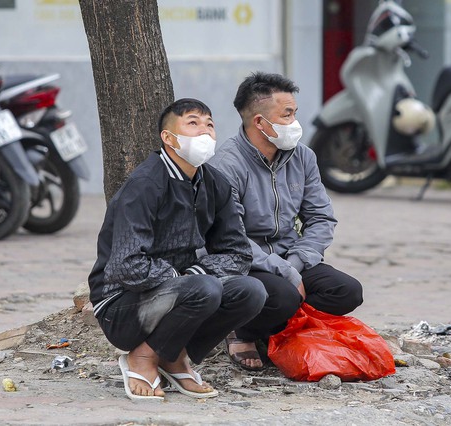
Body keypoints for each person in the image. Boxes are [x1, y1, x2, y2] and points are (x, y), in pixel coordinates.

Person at [87, 98, 267, 400]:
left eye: (209, 125)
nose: (205, 132)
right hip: (121, 305)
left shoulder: (215, 184)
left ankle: (174, 354)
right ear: (169, 138)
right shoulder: (145, 184)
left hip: (181, 291)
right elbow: (125, 267)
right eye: (193, 123)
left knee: (251, 292)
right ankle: (142, 357)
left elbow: (238, 254)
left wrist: (193, 276)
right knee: (204, 288)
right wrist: (183, 279)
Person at [209, 72, 363, 371]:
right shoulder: (227, 165)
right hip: (243, 261)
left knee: (347, 291)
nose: (295, 122)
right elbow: (231, 238)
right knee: (282, 296)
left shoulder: (302, 157)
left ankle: (278, 328)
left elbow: (321, 217)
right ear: (259, 122)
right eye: (287, 114)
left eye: (295, 113)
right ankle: (242, 332)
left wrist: (295, 262)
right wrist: (282, 270)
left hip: (291, 256)